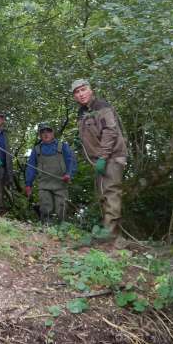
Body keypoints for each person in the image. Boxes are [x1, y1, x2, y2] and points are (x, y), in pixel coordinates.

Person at [71, 78, 128, 237]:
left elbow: (110, 131)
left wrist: (103, 157)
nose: (81, 94)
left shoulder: (101, 106)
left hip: (111, 157)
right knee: (102, 195)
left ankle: (111, 235)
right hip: (98, 160)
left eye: (83, 90)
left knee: (111, 193)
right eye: (77, 92)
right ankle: (108, 233)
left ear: (90, 90)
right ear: (74, 96)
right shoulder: (82, 112)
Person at [24, 122, 77, 223]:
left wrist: (69, 174)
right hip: (44, 185)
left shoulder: (63, 147)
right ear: (39, 135)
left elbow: (71, 162)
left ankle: (62, 231)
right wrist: (28, 184)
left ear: (53, 133)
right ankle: (46, 231)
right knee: (45, 209)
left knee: (62, 209)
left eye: (48, 131)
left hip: (60, 184)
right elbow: (31, 168)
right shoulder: (36, 150)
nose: (46, 134)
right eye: (42, 132)